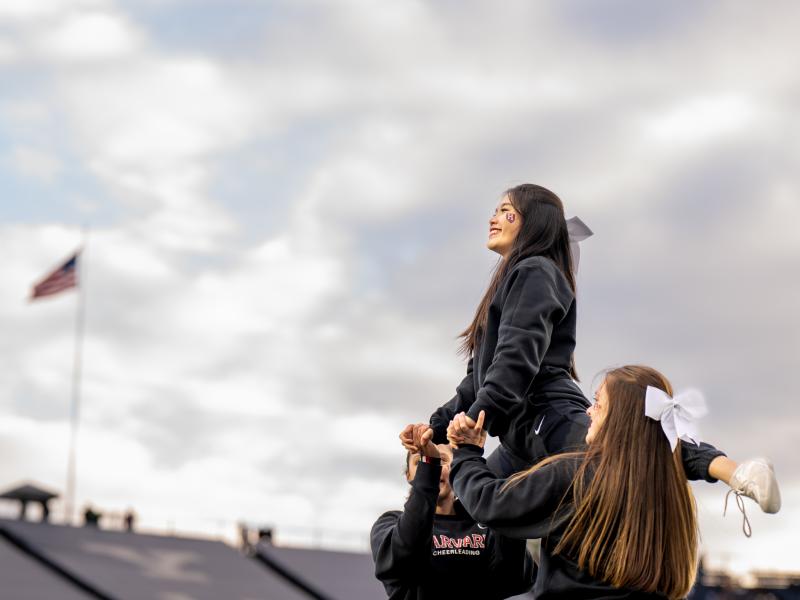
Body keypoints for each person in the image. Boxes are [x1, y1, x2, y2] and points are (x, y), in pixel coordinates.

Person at [405, 183, 779, 512]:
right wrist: (433, 428)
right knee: (471, 503)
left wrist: (475, 421)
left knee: (633, 446)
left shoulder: (536, 270)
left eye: (507, 211)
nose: (494, 218)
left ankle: (737, 471)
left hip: (548, 418)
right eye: (495, 210)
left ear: (532, 223)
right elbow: (477, 380)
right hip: (520, 436)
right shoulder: (510, 283)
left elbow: (515, 363)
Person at [446, 365, 727, 599]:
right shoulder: (669, 488)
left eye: (597, 403)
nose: (588, 412)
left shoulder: (574, 474)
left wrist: (466, 452)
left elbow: (490, 503)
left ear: (619, 419)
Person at [370, 425, 535, 600]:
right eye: (420, 461)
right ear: (409, 476)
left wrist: (503, 506)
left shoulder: (484, 522)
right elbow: (403, 561)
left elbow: (514, 581)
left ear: (456, 470)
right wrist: (429, 466)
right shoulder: (389, 524)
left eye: (441, 459)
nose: (435, 466)